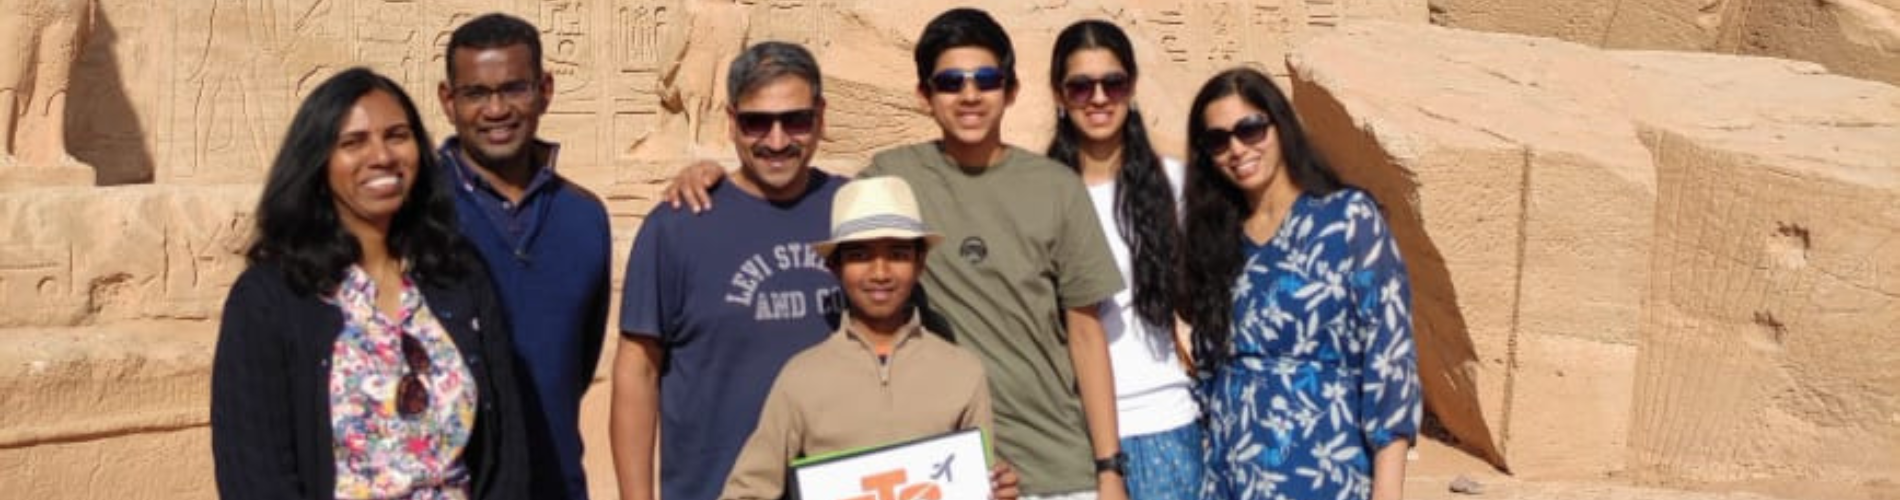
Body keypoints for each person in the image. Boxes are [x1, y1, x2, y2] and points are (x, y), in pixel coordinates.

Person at [663, 9, 1130, 500]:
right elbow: (809, 197)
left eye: (986, 80)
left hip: (1054, 464)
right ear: (924, 95)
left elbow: (1086, 333)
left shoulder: (1056, 187)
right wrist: (717, 179)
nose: (969, 95)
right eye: (950, 82)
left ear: (1011, 90)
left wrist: (1109, 468)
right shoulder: (893, 178)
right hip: (942, 465)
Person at [210, 67, 530, 499]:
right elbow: (255, 475)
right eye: (353, 142)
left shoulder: (456, 274)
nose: (381, 156)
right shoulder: (271, 299)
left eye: (397, 136)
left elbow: (508, 446)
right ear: (318, 161)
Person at [612, 41, 847, 500]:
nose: (777, 141)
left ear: (820, 116)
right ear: (731, 120)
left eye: (795, 120)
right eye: (757, 122)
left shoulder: (854, 211)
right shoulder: (678, 225)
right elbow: (637, 369)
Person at [1176, 67, 1421, 500]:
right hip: (1231, 475)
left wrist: (1388, 491)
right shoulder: (1217, 240)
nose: (1237, 148)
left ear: (1280, 125)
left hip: (1326, 470)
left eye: (1250, 129)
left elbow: (1389, 361)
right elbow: (1209, 375)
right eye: (1218, 140)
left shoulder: (1347, 219)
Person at [720, 177, 1016, 500]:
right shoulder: (801, 377)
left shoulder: (961, 371)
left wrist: (997, 490)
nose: (880, 273)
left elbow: (977, 479)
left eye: (898, 254)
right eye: (860, 255)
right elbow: (748, 491)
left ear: (920, 264)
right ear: (835, 266)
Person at [434, 13, 611, 498]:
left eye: (514, 89)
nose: (496, 110)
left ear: (545, 90)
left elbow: (574, 364)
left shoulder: (583, 218)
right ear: (448, 101)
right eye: (476, 93)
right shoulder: (414, 215)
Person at [1044, 20, 1202, 500]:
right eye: (1081, 86)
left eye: (1112, 83)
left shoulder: (1174, 184)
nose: (1098, 98)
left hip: (1164, 421)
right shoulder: (1038, 194)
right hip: (1071, 432)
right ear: (1059, 94)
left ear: (1131, 87)